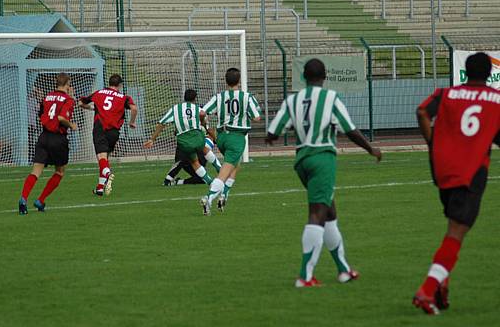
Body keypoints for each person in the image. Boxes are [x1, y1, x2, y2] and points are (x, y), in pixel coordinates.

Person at [266, 58, 382, 287]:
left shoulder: (293, 100)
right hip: (322, 158)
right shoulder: (331, 98)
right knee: (318, 213)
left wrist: (282, 133)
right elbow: (349, 130)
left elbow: (272, 133)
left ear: (303, 77)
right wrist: (371, 148)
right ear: (324, 76)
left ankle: (344, 270)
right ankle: (305, 276)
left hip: (302, 160)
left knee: (330, 213)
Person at [412, 52, 500, 315]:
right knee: (456, 233)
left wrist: (432, 142)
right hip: (471, 172)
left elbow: (422, 112)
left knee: (452, 227)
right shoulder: (496, 100)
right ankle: (427, 289)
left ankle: (441, 285)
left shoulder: (446, 93)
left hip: (442, 170)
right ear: (488, 75)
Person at [200, 67, 261, 215]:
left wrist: (205, 125)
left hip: (222, 137)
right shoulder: (247, 97)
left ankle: (224, 195)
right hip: (236, 137)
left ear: (226, 81)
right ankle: (208, 198)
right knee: (225, 171)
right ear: (239, 81)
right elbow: (257, 117)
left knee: (235, 165)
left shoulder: (219, 96)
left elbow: (202, 112)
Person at [18, 73, 77, 215]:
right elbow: (62, 117)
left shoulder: (47, 97)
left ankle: (23, 198)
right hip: (58, 139)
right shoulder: (68, 100)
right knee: (60, 172)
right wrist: (71, 125)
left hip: (43, 137)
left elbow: (41, 115)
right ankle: (40, 200)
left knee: (35, 171)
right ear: (67, 84)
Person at [79, 74, 138, 196]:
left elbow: (81, 103)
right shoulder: (123, 97)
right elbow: (134, 109)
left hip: (100, 128)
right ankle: (100, 188)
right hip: (114, 132)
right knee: (105, 158)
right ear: (120, 85)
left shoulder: (99, 93)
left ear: (109, 83)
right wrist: (131, 122)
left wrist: (92, 108)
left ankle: (108, 174)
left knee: (101, 158)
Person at [144, 89, 218, 186]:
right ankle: (219, 169)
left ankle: (172, 180)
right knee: (202, 150)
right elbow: (208, 128)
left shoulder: (176, 109)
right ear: (195, 99)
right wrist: (215, 139)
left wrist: (152, 139)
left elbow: (162, 123)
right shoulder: (199, 111)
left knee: (190, 160)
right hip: (199, 142)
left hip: (186, 143)